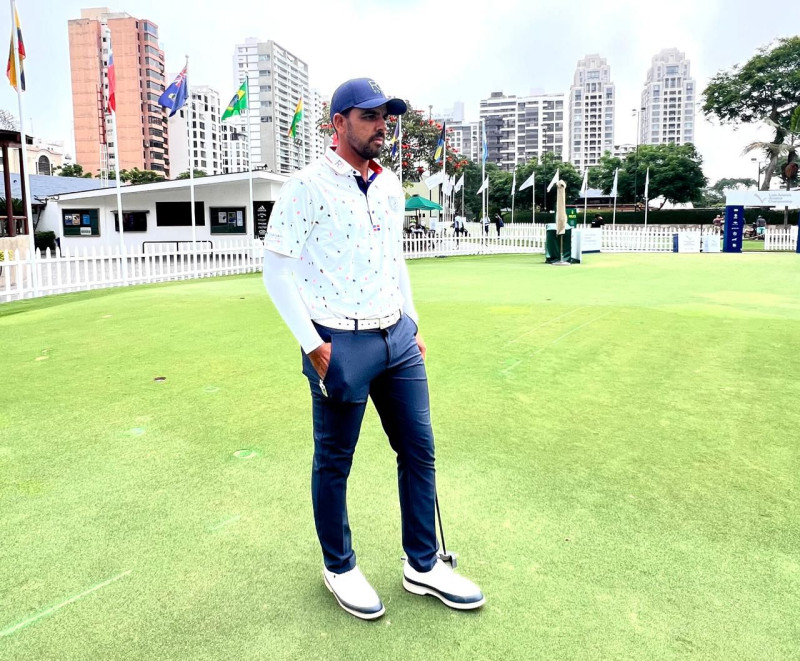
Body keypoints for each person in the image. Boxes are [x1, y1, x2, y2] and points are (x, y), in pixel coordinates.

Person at [262, 77, 484, 621]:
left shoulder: (388, 185)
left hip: (397, 338)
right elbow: (276, 271)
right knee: (335, 460)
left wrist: (414, 322)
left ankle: (423, 564)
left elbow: (395, 259)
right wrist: (315, 347)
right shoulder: (306, 186)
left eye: (385, 115)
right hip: (340, 340)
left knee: (419, 449)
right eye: (368, 116)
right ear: (338, 124)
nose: (381, 125)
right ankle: (339, 567)